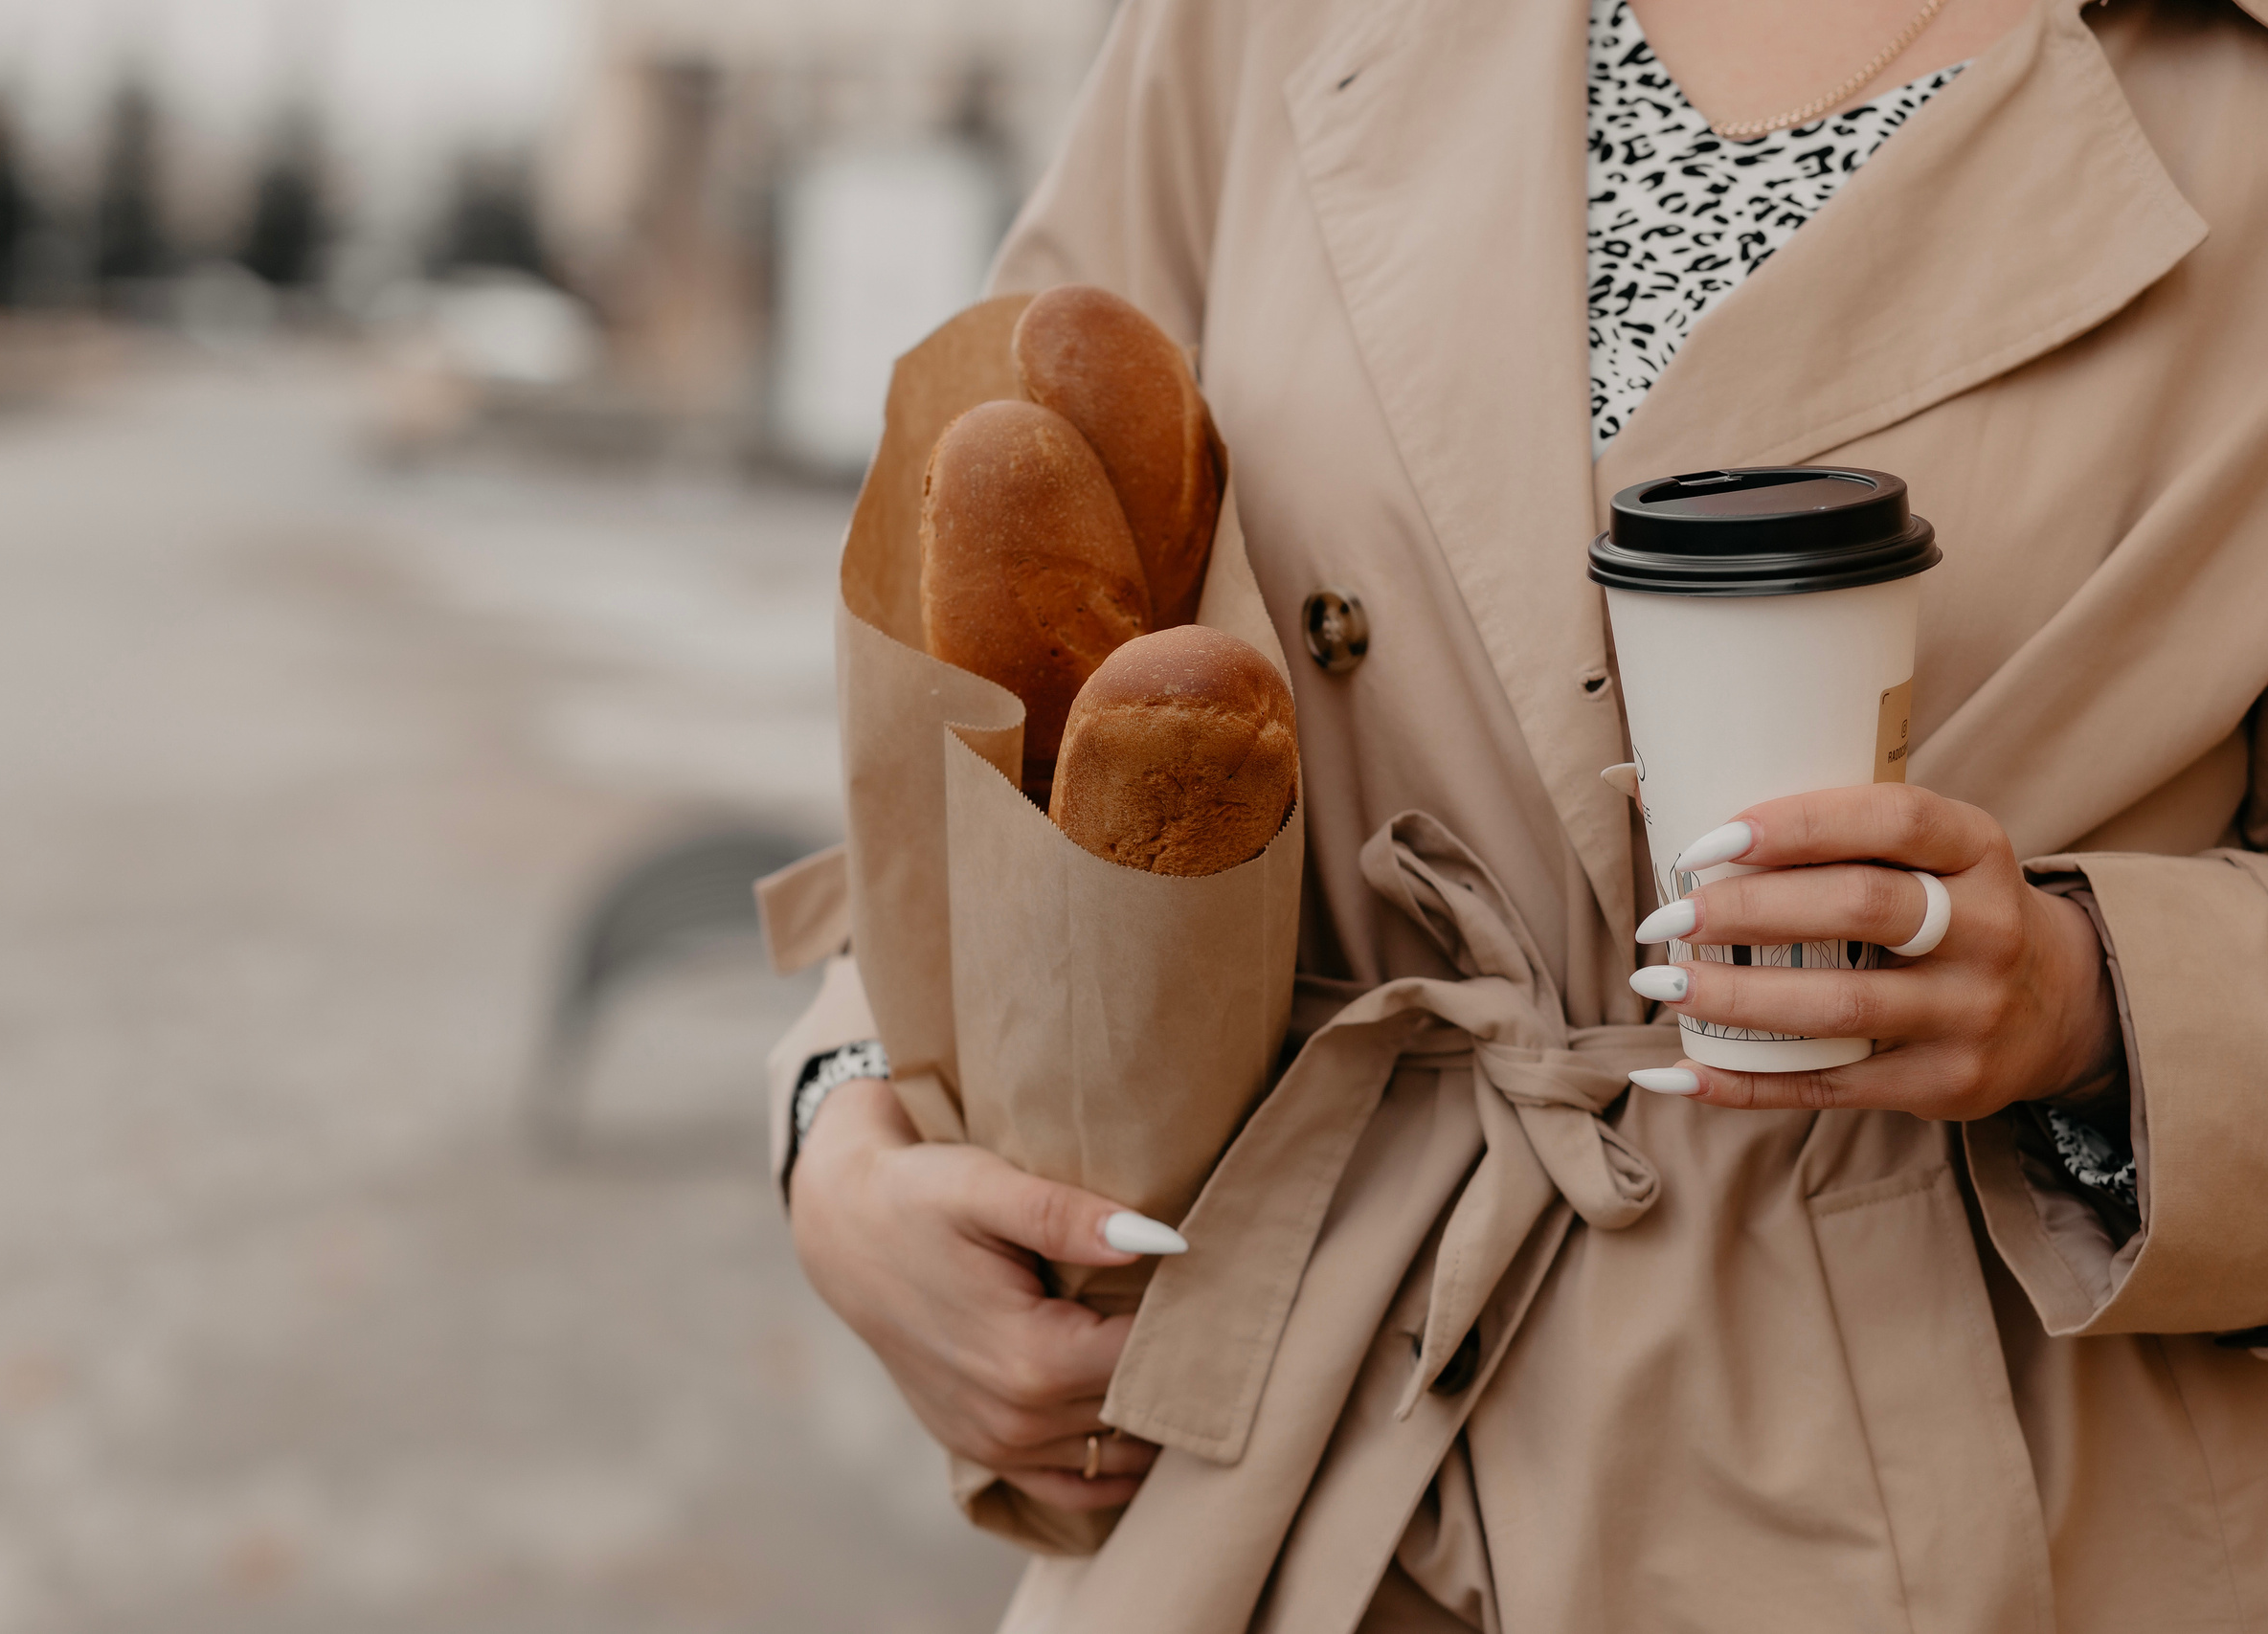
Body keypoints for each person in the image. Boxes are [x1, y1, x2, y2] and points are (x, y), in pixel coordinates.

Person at [770, 0, 2268, 1626]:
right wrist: (847, 1122)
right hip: (1300, 1452)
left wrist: (2090, 1004)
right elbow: (998, 631)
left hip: (1983, 1489)